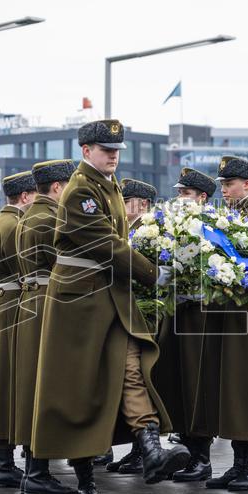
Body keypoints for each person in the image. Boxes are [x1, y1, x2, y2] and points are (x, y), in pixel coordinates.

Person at [31, 120, 189, 494]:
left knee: (132, 366)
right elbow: (107, 243)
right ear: (86, 151)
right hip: (80, 302)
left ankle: (150, 446)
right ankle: (86, 485)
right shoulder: (81, 190)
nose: (113, 155)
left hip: (110, 297)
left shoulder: (110, 186)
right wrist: (153, 272)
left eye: (116, 148)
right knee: (79, 389)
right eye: (105, 149)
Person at [195, 156, 248, 492]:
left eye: (229, 184)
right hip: (232, 313)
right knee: (233, 387)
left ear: (246, 185)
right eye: (223, 185)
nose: (224, 190)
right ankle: (238, 463)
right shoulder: (230, 216)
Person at [14, 160, 80, 494]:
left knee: (33, 384)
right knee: (45, 385)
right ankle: (38, 472)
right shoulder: (48, 217)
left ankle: (34, 468)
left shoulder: (28, 215)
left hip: (32, 301)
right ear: (57, 187)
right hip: (45, 304)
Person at [152, 167, 219, 483]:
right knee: (175, 381)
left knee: (197, 383)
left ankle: (201, 457)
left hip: (199, 314)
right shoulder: (171, 224)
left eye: (185, 193)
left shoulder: (215, 224)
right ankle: (183, 449)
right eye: (178, 192)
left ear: (202, 197)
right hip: (174, 309)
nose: (179, 197)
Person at [0, 171, 36, 488]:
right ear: (26, 197)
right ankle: (3, 463)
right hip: (17, 306)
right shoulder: (17, 225)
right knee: (14, 385)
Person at [102, 177, 159, 473]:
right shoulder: (124, 231)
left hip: (144, 314)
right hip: (126, 311)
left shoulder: (151, 232)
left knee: (141, 377)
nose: (122, 207)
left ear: (143, 204)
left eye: (127, 201)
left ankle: (144, 449)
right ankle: (138, 449)